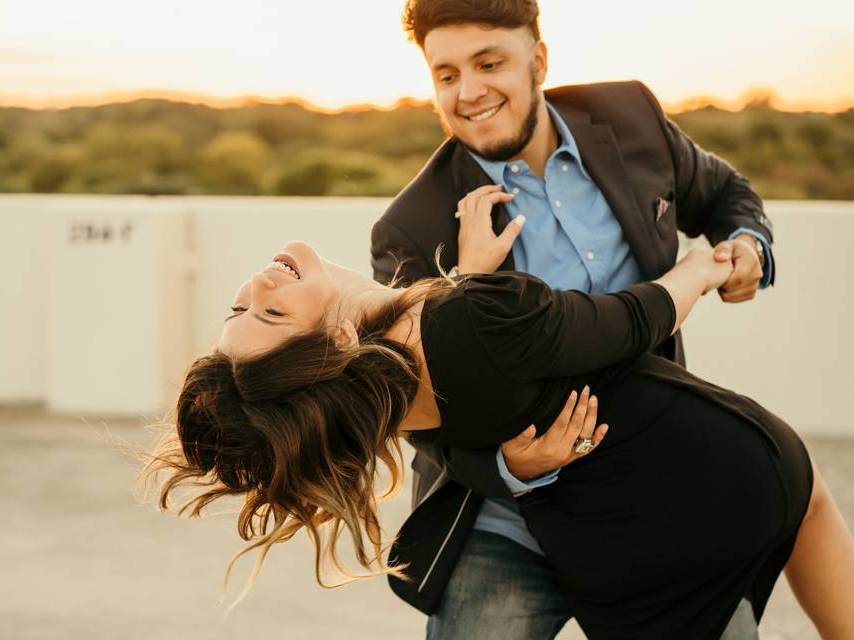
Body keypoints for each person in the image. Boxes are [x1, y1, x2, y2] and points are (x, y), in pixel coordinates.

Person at [146, 239, 854, 639]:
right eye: (268, 311)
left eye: (242, 306)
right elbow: (632, 319)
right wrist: (700, 269)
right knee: (807, 500)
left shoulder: (382, 399)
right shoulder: (473, 321)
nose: (258, 281)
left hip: (647, 529)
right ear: (333, 343)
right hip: (719, 474)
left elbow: (462, 422)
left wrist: (504, 462)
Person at [369, 0, 775, 636]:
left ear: (538, 59)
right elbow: (413, 405)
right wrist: (509, 466)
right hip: (509, 520)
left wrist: (748, 246)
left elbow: (726, 194)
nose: (468, 92)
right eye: (445, 74)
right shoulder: (410, 229)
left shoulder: (631, 115)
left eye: (489, 63)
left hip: (657, 494)